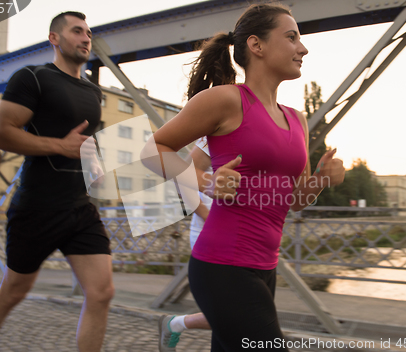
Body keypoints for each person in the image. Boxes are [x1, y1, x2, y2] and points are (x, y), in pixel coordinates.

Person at [146, 3, 345, 351]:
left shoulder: (297, 120)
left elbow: (294, 202)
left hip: (265, 267)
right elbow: (152, 150)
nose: (303, 48)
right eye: (292, 37)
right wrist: (204, 182)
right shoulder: (225, 100)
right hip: (223, 266)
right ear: (257, 45)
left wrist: (321, 182)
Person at [0, 12, 114, 352]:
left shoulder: (92, 92)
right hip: (38, 205)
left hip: (79, 206)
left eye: (88, 33)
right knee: (14, 291)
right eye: (76, 31)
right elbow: (4, 134)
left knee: (102, 292)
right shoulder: (32, 78)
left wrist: (94, 165)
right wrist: (60, 146)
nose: (85, 38)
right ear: (55, 38)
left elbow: (81, 143)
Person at [158, 137, 212, 351]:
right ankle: (173, 324)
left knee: (238, 314)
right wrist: (210, 218)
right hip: (210, 232)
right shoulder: (212, 136)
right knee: (234, 314)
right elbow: (181, 179)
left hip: (248, 235)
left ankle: (174, 324)